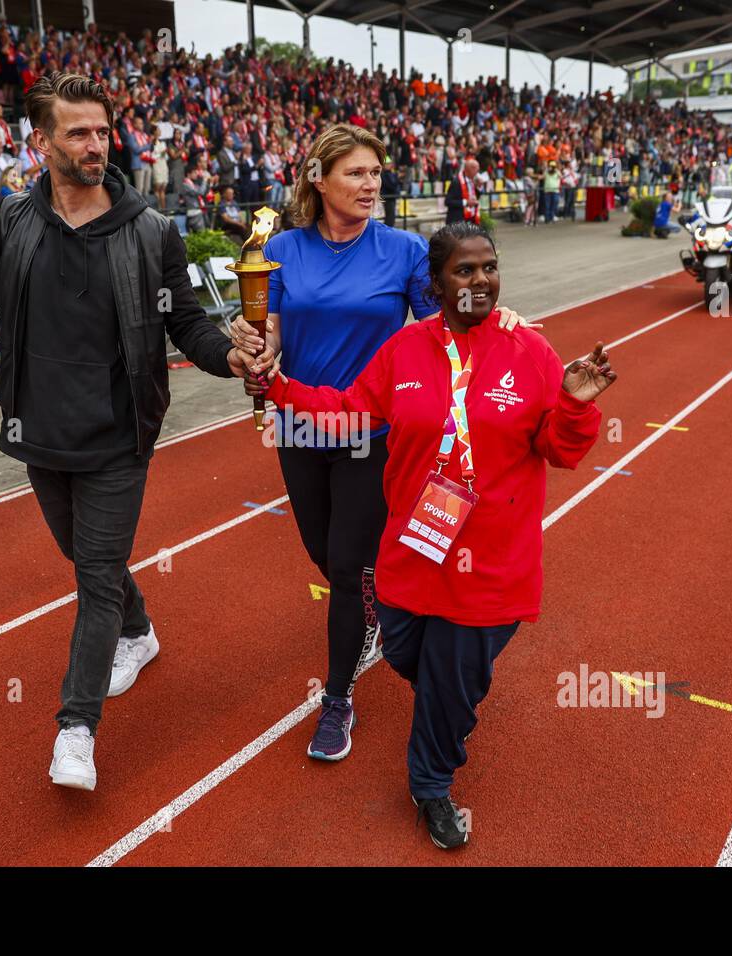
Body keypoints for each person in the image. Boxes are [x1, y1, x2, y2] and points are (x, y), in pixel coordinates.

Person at [0, 72, 272, 793]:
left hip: (118, 434)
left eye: (102, 131)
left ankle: (76, 729)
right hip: (38, 431)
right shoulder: (8, 222)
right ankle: (140, 631)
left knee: (95, 573)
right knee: (82, 554)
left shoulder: (150, 231)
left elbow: (184, 324)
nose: (96, 144)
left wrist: (230, 354)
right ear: (43, 143)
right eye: (78, 132)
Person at [248, 222, 616, 849]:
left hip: (495, 561)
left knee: (450, 678)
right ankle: (448, 707)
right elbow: (348, 412)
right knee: (405, 654)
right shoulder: (404, 349)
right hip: (415, 549)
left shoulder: (529, 351)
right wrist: (276, 387)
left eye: (489, 268)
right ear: (436, 283)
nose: (480, 281)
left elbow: (560, 449)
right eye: (464, 272)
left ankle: (431, 783)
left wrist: (577, 405)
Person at [228, 123, 536, 763]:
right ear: (319, 180)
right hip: (301, 423)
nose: (372, 185)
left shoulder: (401, 250)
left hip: (373, 430)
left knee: (345, 567)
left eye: (376, 173)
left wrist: (494, 315)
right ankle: (375, 606)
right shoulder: (281, 248)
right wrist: (253, 345)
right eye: (357, 174)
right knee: (323, 551)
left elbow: (446, 318)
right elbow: (274, 333)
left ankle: (336, 697)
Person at [445, 157, 480, 225]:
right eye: (476, 170)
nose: (477, 173)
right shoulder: (457, 182)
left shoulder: (472, 180)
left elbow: (476, 197)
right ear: (470, 169)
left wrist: (479, 187)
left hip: (470, 219)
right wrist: (466, 202)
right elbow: (448, 202)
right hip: (457, 221)